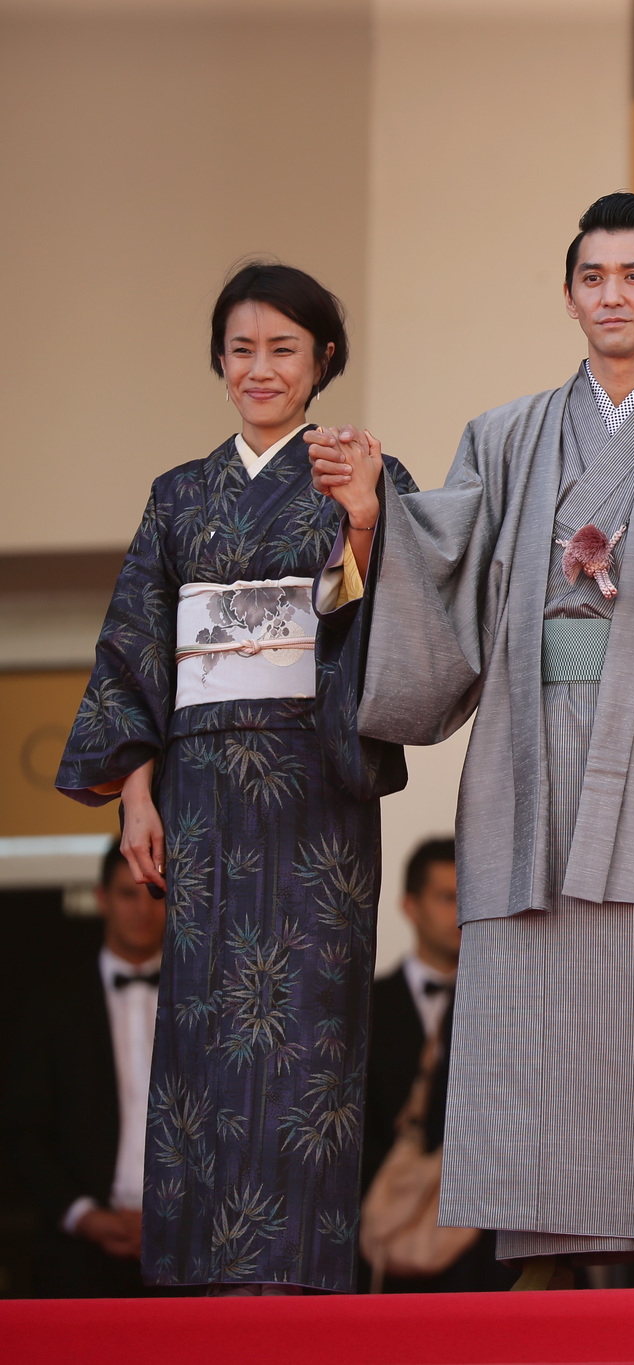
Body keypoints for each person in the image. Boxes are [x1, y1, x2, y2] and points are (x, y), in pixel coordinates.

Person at [311, 191, 634, 1290]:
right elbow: (439, 569)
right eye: (592, 276)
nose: (612, 296)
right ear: (571, 290)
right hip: (525, 755)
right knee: (522, 1014)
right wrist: (373, 518)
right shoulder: (505, 433)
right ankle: (535, 1264)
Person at [53, 264, 414, 1293]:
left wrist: (367, 521)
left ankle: (299, 1282)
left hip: (314, 788)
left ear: (323, 362)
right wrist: (136, 795)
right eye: (242, 349)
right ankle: (193, 1282)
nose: (260, 369)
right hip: (203, 789)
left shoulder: (367, 473)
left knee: (309, 1033)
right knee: (205, 1030)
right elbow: (137, 656)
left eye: (284, 349)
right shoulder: (179, 496)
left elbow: (411, 623)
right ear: (220, 362)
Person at [3, 848, 165, 1296]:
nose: (142, 909)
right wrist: (85, 1216)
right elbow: (22, 1132)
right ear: (101, 899)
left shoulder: (202, 1007)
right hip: (75, 1258)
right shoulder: (53, 1006)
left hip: (183, 1254)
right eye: (127, 895)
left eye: (155, 894)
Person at [358, 838, 511, 1292]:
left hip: (492, 1256)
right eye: (447, 897)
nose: (462, 912)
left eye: (472, 897)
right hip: (389, 1243)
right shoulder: (363, 1008)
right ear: (410, 905)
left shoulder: (514, 1007)